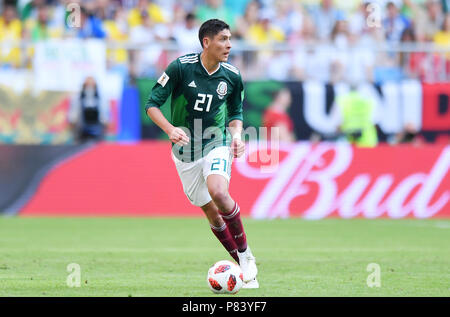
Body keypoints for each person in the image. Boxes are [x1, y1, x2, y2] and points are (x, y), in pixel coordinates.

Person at [145, 19, 258, 288]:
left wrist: (237, 136)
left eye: (230, 39)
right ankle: (242, 269)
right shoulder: (181, 68)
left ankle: (246, 255)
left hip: (215, 141)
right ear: (206, 42)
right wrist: (170, 129)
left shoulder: (232, 75)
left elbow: (235, 112)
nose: (229, 44)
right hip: (184, 153)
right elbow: (152, 104)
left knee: (219, 192)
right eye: (223, 39)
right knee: (210, 211)